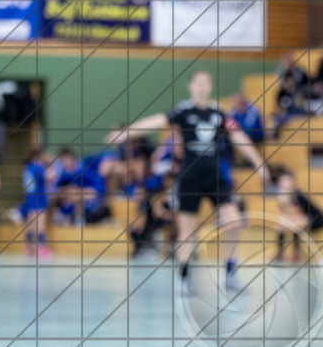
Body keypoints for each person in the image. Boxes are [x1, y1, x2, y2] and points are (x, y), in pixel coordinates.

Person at [106, 70, 268, 294]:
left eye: (205, 82)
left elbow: (238, 136)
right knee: (188, 230)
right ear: (191, 86)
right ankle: (183, 277)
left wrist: (259, 164)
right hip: (191, 177)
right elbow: (156, 121)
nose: (202, 86)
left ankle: (231, 274)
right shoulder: (183, 111)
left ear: (210, 86)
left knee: (234, 221)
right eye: (198, 82)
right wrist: (127, 133)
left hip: (215, 176)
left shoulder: (219, 113)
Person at [21, 148, 54, 258]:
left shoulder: (27, 167)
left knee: (31, 223)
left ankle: (29, 247)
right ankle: (39, 247)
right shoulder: (38, 167)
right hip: (38, 198)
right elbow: (51, 176)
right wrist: (50, 163)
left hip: (29, 198)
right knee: (39, 223)